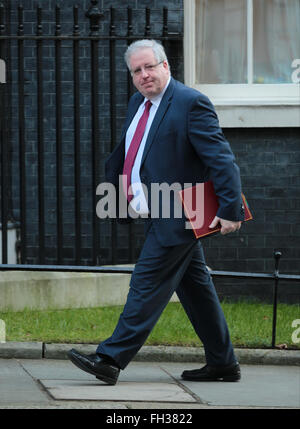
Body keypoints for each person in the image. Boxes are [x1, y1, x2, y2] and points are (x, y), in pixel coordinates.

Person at [68, 39, 244, 385]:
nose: (144, 74)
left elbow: (222, 159)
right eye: (137, 70)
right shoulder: (139, 102)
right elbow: (138, 152)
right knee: (196, 289)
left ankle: (110, 358)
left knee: (145, 282)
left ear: (166, 66)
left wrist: (230, 208)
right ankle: (223, 362)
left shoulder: (191, 103)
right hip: (158, 209)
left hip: (180, 213)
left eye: (150, 66)